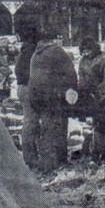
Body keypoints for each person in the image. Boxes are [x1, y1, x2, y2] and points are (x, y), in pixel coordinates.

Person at [29, 29, 78, 173]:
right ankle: (58, 162)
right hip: (54, 98)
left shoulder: (36, 54)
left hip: (38, 97)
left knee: (46, 129)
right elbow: (70, 72)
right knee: (59, 127)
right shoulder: (56, 51)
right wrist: (72, 89)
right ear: (54, 39)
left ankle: (46, 161)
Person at [16, 21, 40, 168]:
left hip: (23, 87)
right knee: (31, 122)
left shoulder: (25, 50)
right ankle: (30, 157)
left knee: (30, 121)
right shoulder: (31, 51)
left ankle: (31, 155)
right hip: (28, 88)